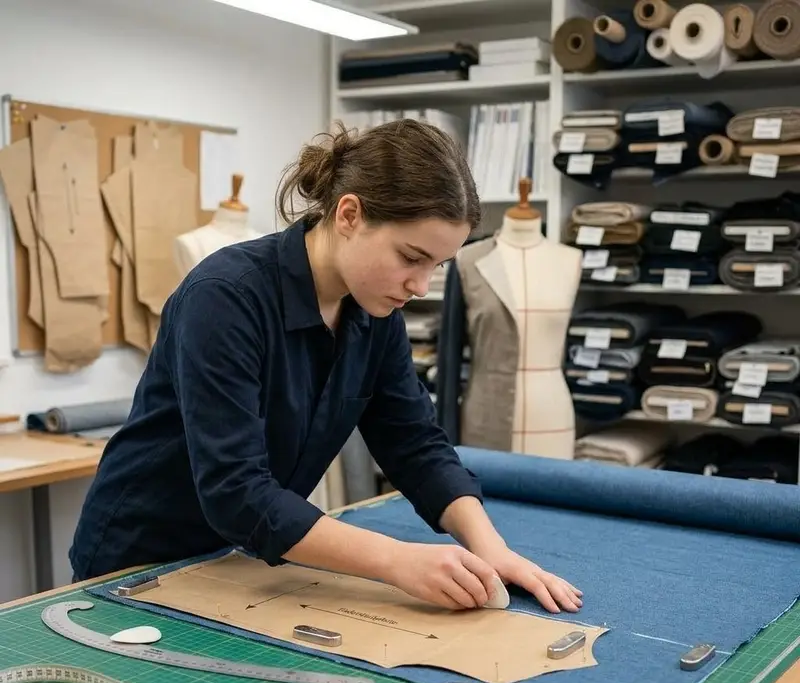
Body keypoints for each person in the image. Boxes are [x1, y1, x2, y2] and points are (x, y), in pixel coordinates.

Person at [69, 119, 582, 615]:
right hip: (140, 560)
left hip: (239, 561)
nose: (421, 286)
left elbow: (414, 443)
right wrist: (397, 561)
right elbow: (237, 492)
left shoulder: (375, 312)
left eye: (437, 265)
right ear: (349, 215)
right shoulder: (225, 298)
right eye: (411, 257)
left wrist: (490, 548)